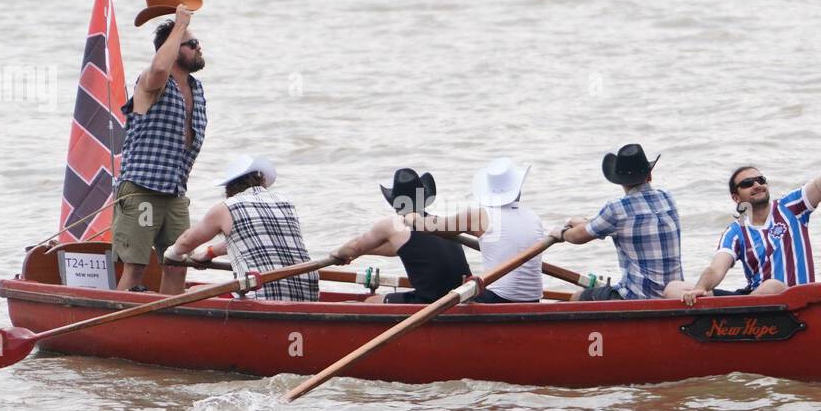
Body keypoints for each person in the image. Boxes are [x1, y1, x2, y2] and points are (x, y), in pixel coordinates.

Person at [666, 137, 821, 305]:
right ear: (736, 197)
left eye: (761, 180)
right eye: (747, 183)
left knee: (772, 286)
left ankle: (732, 323)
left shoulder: (792, 207)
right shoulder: (736, 231)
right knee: (673, 289)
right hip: (756, 300)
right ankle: (730, 322)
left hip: (794, 302)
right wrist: (701, 288)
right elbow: (716, 268)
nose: (757, 184)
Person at [113, 0, 209, 294]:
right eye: (191, 44)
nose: (198, 47)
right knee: (136, 267)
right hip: (142, 188)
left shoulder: (196, 88)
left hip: (175, 194)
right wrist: (179, 24)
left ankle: (169, 326)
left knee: (178, 264)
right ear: (174, 47)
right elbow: (157, 69)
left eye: (196, 43)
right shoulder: (152, 82)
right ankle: (119, 328)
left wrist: (182, 31)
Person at [164, 155, 319, 301]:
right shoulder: (286, 203)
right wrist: (210, 252)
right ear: (262, 181)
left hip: (262, 293)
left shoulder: (227, 207)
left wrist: (172, 254)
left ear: (229, 187)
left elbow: (186, 242)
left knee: (192, 293)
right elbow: (258, 239)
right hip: (309, 291)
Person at [404, 157, 546, 304]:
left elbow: (433, 226)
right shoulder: (533, 217)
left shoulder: (480, 215)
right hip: (533, 300)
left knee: (441, 293)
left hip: (497, 300)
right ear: (518, 188)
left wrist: (412, 217)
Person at [550, 144, 682, 301]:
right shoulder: (667, 197)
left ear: (620, 181)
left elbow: (578, 237)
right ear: (649, 176)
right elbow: (596, 224)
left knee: (577, 297)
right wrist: (577, 222)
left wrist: (562, 233)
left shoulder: (617, 209)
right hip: (675, 292)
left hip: (637, 296)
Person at [330, 169, 472, 304]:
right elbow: (397, 248)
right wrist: (359, 254)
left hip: (430, 303)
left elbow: (355, 245)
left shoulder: (393, 224)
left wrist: (338, 253)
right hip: (463, 296)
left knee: (370, 302)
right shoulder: (439, 224)